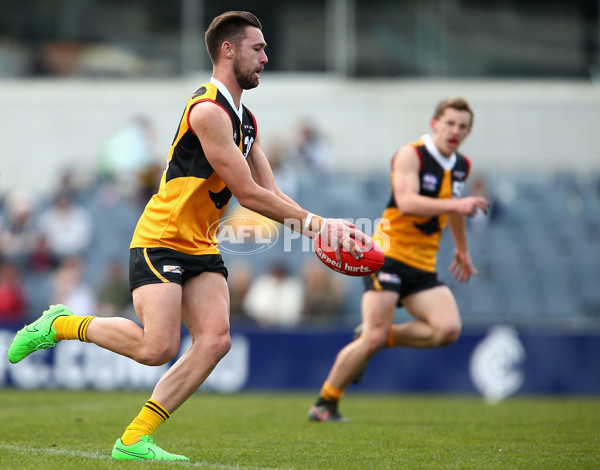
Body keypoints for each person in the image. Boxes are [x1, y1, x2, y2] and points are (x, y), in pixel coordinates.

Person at [7, 11, 368, 461]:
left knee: (216, 340)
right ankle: (61, 324)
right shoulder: (208, 112)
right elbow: (248, 195)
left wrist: (323, 228)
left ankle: (134, 439)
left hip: (201, 242)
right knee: (157, 348)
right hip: (162, 237)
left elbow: (272, 192)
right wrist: (320, 226)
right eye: (258, 49)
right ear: (228, 50)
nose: (266, 58)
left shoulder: (246, 120)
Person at [308, 96, 490, 422]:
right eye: (449, 123)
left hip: (423, 264)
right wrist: (454, 206)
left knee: (447, 330)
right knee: (372, 338)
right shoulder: (412, 154)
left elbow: (456, 209)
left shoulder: (461, 165)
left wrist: (461, 248)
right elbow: (406, 202)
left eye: (463, 126)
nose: (455, 131)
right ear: (434, 124)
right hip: (387, 256)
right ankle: (325, 404)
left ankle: (381, 335)